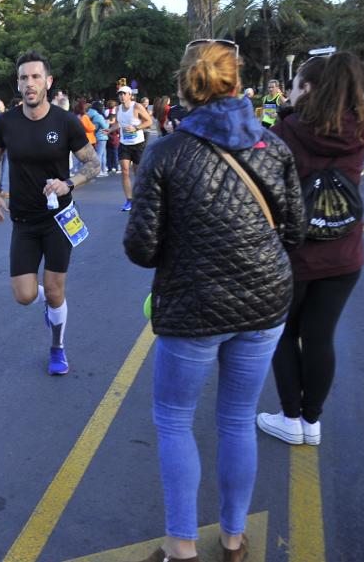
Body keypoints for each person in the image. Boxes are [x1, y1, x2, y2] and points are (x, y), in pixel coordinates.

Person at [123, 40, 304, 562]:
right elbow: (293, 231)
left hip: (193, 309)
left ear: (185, 87)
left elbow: (141, 248)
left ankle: (181, 546)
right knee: (237, 418)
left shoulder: (164, 152)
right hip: (266, 302)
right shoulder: (274, 145)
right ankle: (232, 539)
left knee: (176, 420)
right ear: (237, 82)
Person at [257, 52, 364, 447]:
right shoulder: (359, 130)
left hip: (295, 254)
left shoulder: (286, 132)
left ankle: (290, 417)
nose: (290, 90)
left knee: (283, 335)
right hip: (344, 252)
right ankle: (312, 423)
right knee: (321, 337)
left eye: (296, 84)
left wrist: (283, 115)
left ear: (309, 89)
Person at [0, 51, 101, 375]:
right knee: (24, 295)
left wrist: (69, 183)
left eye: (36, 77)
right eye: (24, 78)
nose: (29, 83)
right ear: (19, 83)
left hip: (58, 221)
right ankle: (51, 306)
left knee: (54, 291)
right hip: (22, 222)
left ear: (48, 82)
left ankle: (57, 347)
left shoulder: (65, 122)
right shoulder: (7, 122)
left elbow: (92, 164)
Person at [114, 85, 153, 212]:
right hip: (124, 144)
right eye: (120, 94)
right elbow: (119, 123)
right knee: (125, 170)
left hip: (138, 144)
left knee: (138, 172)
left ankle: (141, 197)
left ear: (130, 95)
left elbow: (149, 122)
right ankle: (129, 200)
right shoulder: (118, 108)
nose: (122, 96)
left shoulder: (137, 106)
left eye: (124, 94)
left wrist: (136, 128)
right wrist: (110, 129)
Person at [86, 100, 110, 176]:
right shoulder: (99, 116)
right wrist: (108, 122)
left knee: (101, 154)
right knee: (100, 155)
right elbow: (105, 127)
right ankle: (99, 171)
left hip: (94, 136)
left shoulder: (88, 114)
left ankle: (103, 170)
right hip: (102, 136)